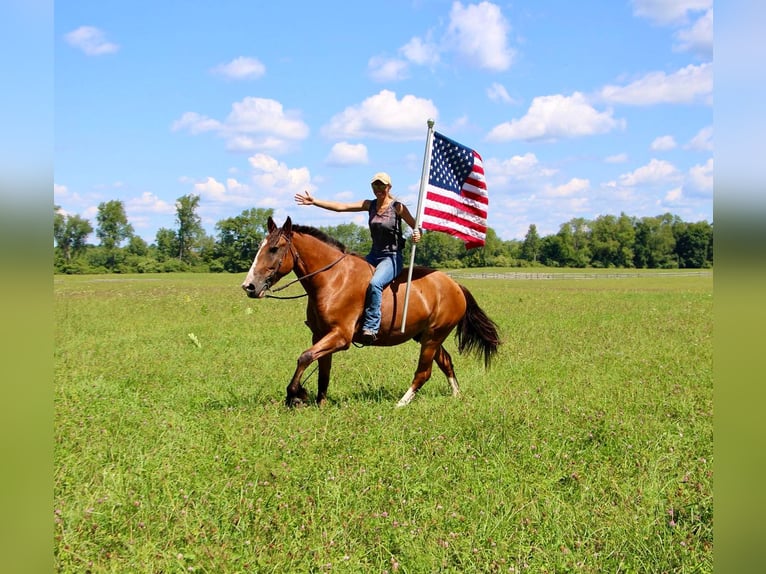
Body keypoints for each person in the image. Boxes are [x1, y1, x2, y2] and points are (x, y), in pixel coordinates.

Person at [294, 172, 421, 343]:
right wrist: (315, 201)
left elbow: (416, 227)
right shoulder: (369, 205)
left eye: (382, 185)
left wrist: (417, 234)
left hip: (391, 257)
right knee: (349, 280)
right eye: (375, 185)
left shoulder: (398, 207)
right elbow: (341, 207)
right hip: (373, 255)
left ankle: (371, 326)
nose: (378, 189)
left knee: (375, 283)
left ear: (389, 187)